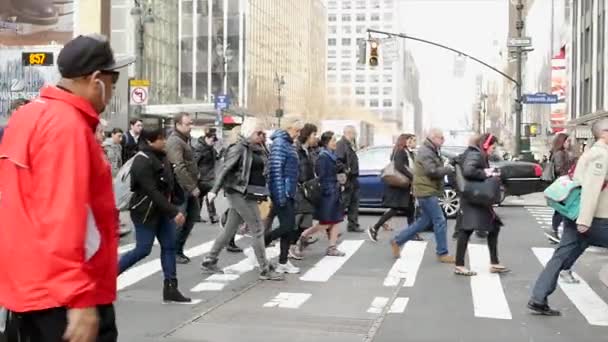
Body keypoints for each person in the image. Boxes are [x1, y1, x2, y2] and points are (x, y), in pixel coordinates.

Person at [0, 33, 133, 341]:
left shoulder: (25, 117)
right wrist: (80, 298)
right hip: (64, 295)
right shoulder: (67, 127)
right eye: (112, 82)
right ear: (96, 79)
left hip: (27, 287)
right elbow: (63, 214)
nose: (111, 92)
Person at [528, 118, 608, 316]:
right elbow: (591, 189)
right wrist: (585, 220)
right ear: (605, 133)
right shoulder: (601, 156)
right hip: (594, 218)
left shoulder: (590, 153)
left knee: (561, 256)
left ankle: (538, 298)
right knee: (561, 255)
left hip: (578, 216)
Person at [203, 119, 284, 281]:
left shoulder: (260, 147)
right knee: (258, 228)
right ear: (249, 132)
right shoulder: (239, 148)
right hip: (238, 192)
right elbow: (225, 170)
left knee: (230, 229)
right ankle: (264, 268)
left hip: (250, 192)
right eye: (259, 132)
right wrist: (214, 190)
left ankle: (210, 259)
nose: (262, 135)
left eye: (263, 133)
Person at [118, 129, 191, 303]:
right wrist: (174, 211)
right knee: (143, 249)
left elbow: (170, 184)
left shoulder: (162, 156)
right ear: (149, 141)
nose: (164, 141)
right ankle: (107, 277)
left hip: (162, 211)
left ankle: (171, 288)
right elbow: (152, 191)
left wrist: (181, 198)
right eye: (160, 139)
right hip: (145, 212)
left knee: (169, 246)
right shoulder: (141, 160)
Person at [391, 128, 455, 263]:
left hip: (426, 189)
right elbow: (432, 171)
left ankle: (397, 241)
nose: (443, 140)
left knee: (424, 222)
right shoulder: (426, 151)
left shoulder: (431, 150)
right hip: (425, 191)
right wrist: (448, 169)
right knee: (440, 220)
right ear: (433, 138)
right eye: (441, 137)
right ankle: (442, 253)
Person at [453, 133, 510, 276]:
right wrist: (487, 172)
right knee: (466, 229)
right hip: (475, 197)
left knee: (492, 226)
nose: (493, 150)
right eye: (493, 147)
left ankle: (493, 262)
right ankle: (460, 265)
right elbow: (469, 170)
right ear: (486, 145)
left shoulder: (475, 153)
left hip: (475, 197)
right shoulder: (476, 154)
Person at [297, 131, 347, 257]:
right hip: (327, 193)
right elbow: (321, 176)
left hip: (334, 191)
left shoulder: (331, 155)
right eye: (333, 141)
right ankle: (304, 235)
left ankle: (332, 247)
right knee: (326, 222)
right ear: (326, 142)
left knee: (336, 221)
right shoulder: (323, 157)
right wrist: (330, 188)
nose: (335, 143)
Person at [265, 117, 304, 274]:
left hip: (289, 191)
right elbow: (276, 171)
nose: (298, 134)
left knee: (288, 228)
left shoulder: (288, 143)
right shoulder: (280, 143)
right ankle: (260, 245)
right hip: (282, 192)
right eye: (296, 130)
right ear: (288, 128)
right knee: (287, 226)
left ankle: (283, 261)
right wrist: (281, 195)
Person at [368, 134, 421, 242]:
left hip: (405, 185)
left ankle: (413, 233)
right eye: (411, 140)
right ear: (405, 141)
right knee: (395, 209)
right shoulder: (400, 151)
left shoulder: (408, 152)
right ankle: (374, 228)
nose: (413, 142)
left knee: (410, 210)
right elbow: (399, 167)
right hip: (399, 186)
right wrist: (413, 177)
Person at [166, 112, 202, 264]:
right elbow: (178, 167)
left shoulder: (185, 140)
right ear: (178, 125)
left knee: (192, 216)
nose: (190, 126)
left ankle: (178, 249)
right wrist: (191, 186)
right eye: (187, 124)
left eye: (191, 123)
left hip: (188, 187)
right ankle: (172, 252)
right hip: (180, 188)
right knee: (179, 221)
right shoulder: (175, 141)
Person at [289, 123, 320, 260]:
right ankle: (290, 246)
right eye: (314, 134)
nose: (315, 137)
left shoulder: (310, 150)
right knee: (297, 220)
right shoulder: (296, 149)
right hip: (299, 188)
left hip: (309, 188)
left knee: (306, 221)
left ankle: (296, 243)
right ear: (307, 135)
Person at [544, 133, 575, 244]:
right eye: (567, 141)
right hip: (562, 184)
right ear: (562, 142)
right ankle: (554, 230)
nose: (569, 143)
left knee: (560, 209)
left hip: (562, 183)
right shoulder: (559, 154)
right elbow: (559, 169)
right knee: (561, 209)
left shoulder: (563, 153)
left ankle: (555, 230)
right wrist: (568, 175)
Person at [336, 125, 364, 232]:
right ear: (349, 133)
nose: (355, 135)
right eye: (354, 133)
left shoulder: (350, 145)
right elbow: (338, 161)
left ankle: (353, 224)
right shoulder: (341, 145)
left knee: (354, 203)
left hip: (353, 178)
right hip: (347, 178)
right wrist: (346, 170)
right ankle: (332, 226)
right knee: (343, 203)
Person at [193, 128, 220, 225]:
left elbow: (215, 157)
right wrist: (196, 175)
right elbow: (194, 163)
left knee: (204, 196)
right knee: (207, 195)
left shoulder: (210, 148)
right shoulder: (199, 148)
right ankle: (211, 216)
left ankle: (199, 215)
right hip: (202, 177)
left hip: (209, 176)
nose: (214, 142)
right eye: (213, 140)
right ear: (207, 138)